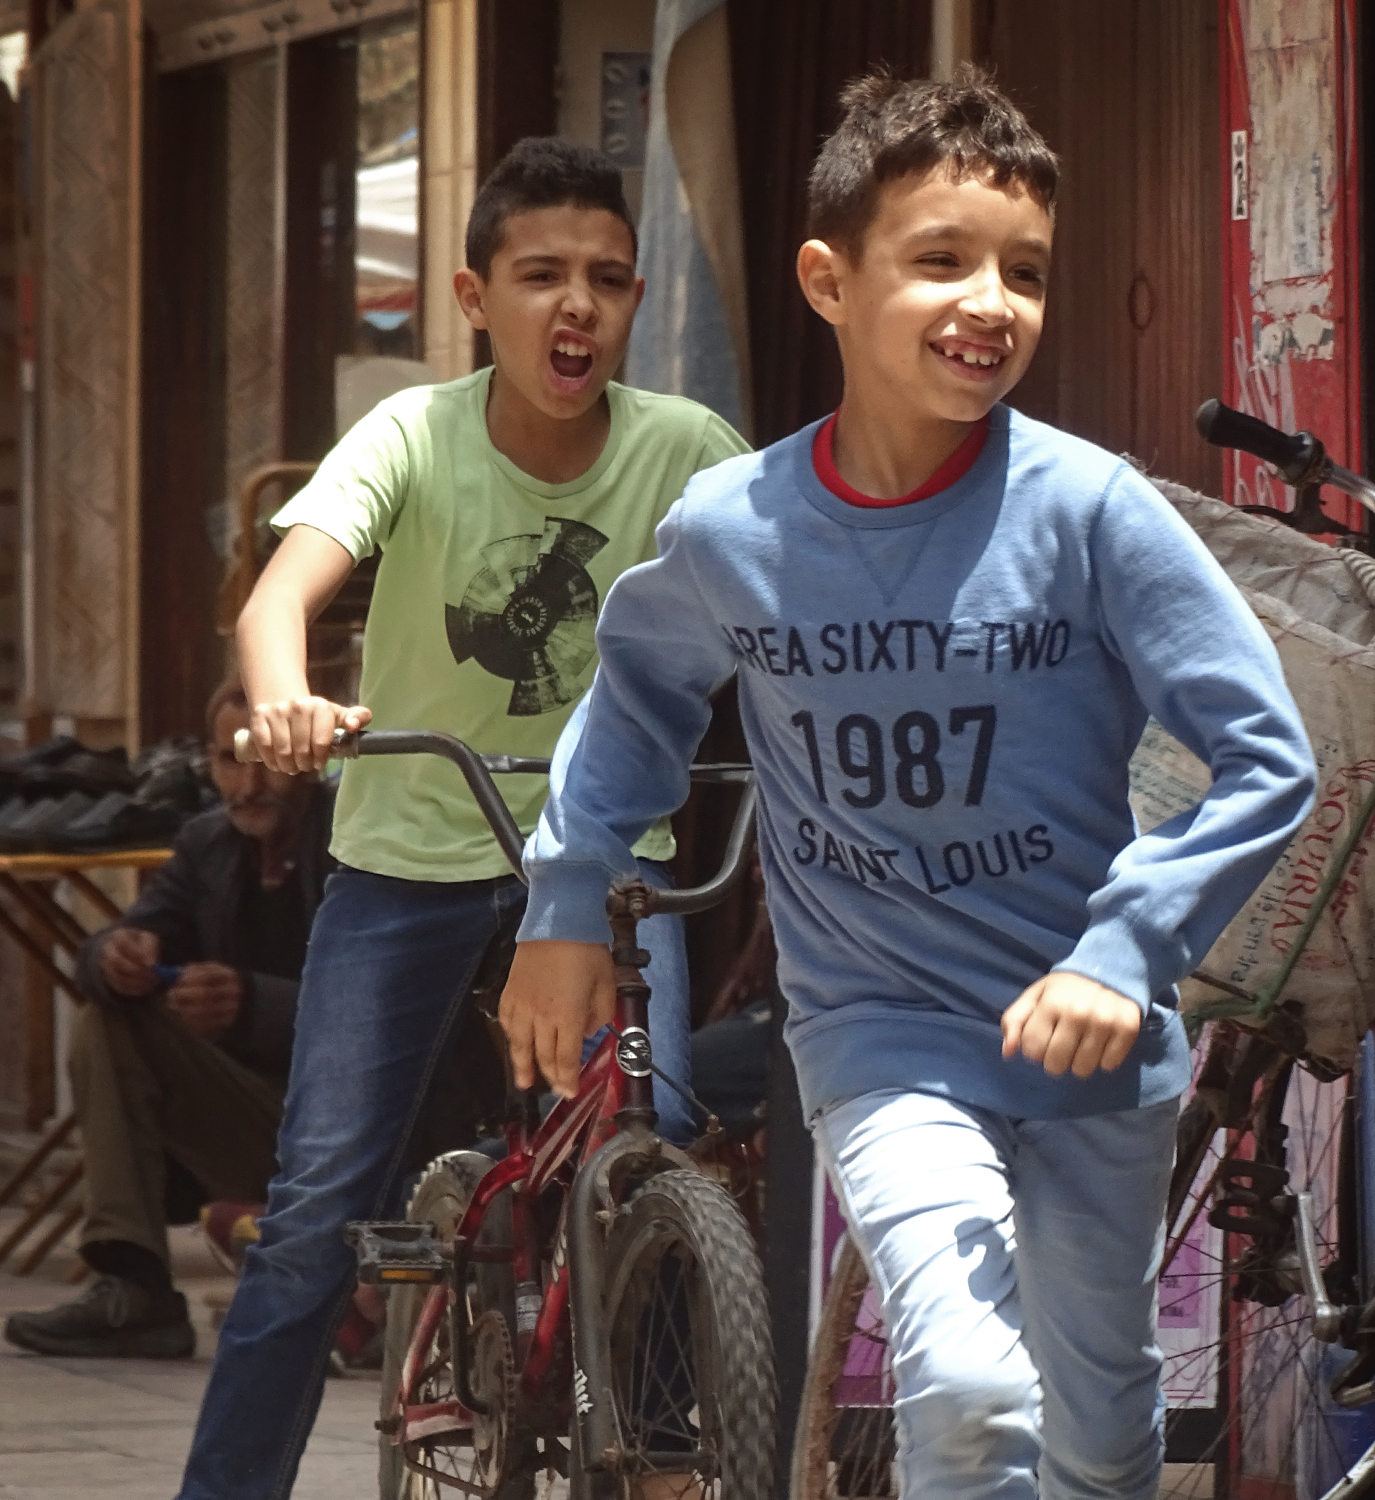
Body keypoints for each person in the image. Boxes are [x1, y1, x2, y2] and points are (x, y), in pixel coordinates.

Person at [501, 69, 1317, 1500]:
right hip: (880, 1035)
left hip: (1095, 1045)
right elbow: (633, 697)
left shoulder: (1090, 511)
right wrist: (564, 904)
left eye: (1025, 271)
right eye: (941, 260)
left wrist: (1125, 953)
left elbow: (1266, 752)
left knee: (1102, 1428)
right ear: (828, 280)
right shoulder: (735, 530)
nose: (989, 303)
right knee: (973, 1389)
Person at [174, 137, 748, 1500]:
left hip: (605, 868)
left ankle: (660, 1458)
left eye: (607, 278)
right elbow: (277, 598)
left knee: (650, 1149)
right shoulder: (411, 436)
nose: (577, 305)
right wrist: (284, 701)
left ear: (636, 298)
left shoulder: (687, 449)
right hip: (408, 859)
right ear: (474, 296)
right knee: (315, 1209)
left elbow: (792, 589)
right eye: (541, 275)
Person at [1, 677, 332, 1359]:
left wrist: (254, 1004)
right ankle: (134, 1283)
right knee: (108, 1018)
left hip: (346, 1127)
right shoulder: (208, 843)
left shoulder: (352, 842)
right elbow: (119, 942)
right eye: (231, 760)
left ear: (307, 757)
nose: (248, 784)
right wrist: (116, 957)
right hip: (244, 1120)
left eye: (266, 760)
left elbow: (387, 1008)